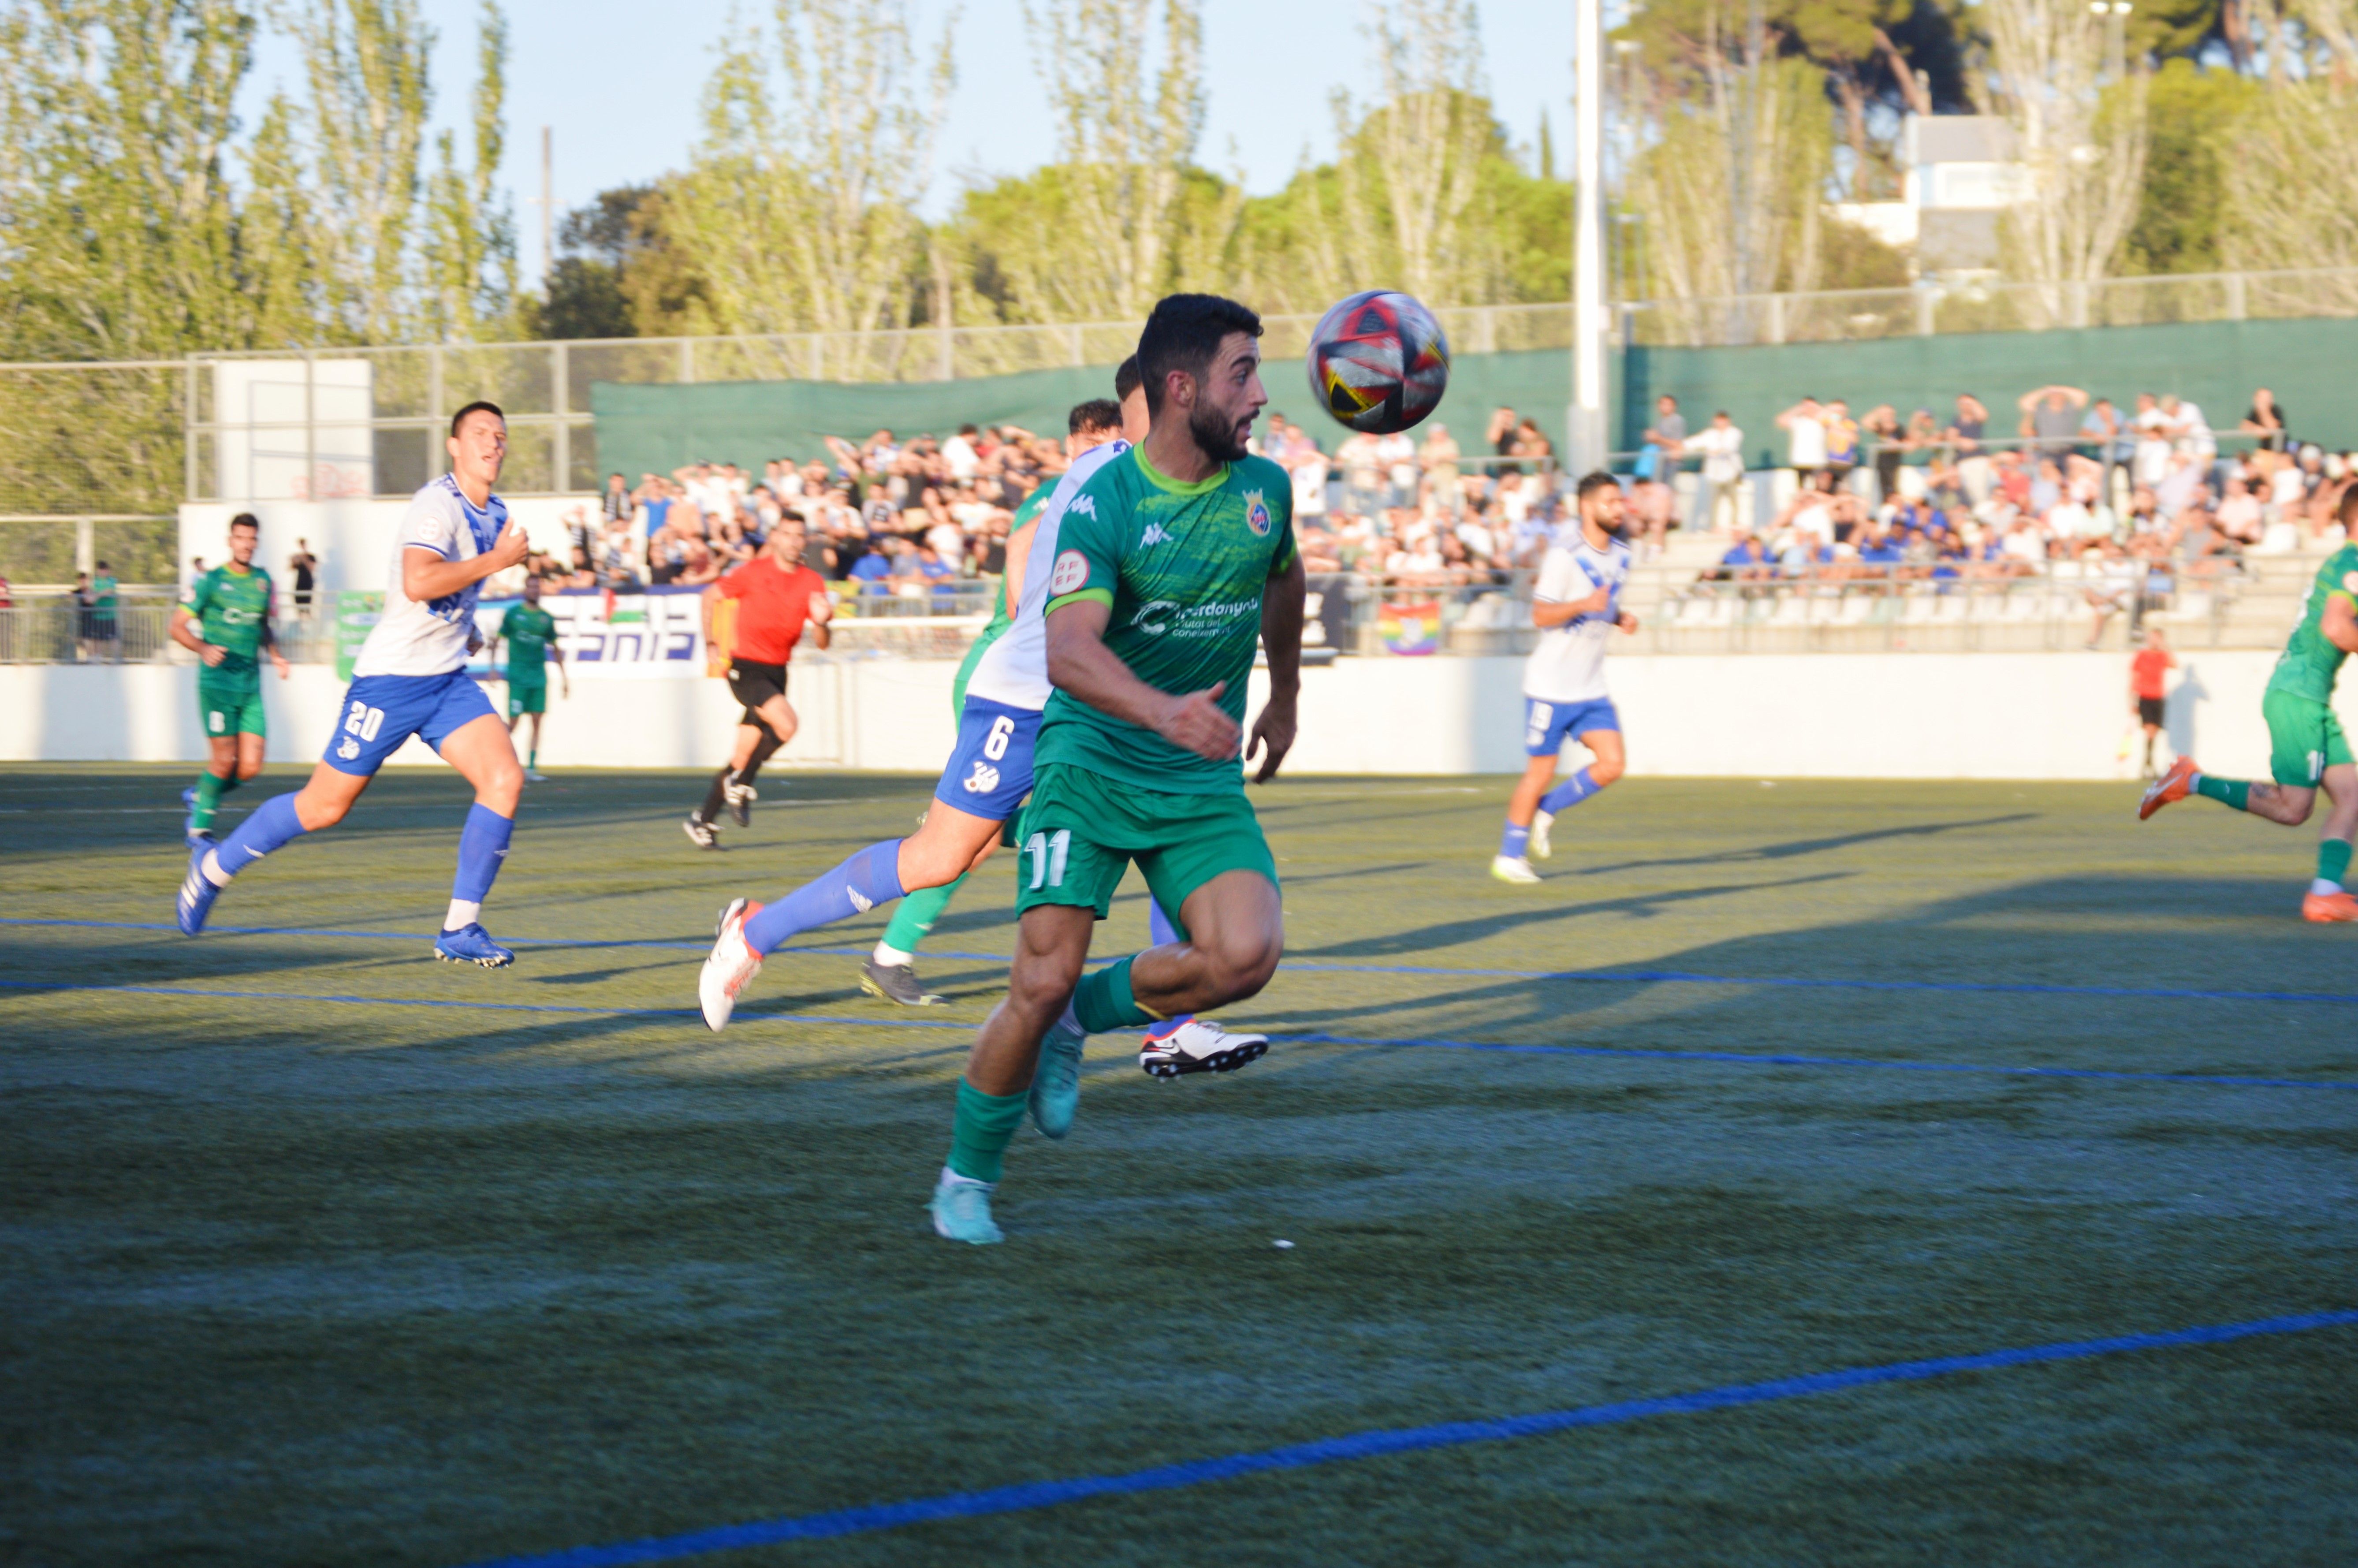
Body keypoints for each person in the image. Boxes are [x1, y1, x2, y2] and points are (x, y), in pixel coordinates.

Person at [724, 295, 1305, 1245]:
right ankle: (964, 1178)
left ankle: (1087, 1012)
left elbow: (1283, 576)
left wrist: (1282, 695)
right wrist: (1166, 710)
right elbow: (1068, 649)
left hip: (1193, 776)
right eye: (1243, 373)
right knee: (1031, 983)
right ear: (1180, 385)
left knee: (1245, 955)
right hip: (1087, 761)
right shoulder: (1102, 500)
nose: (1262, 394)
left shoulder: (1265, 490)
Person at [176, 402, 532, 965]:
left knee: (505, 777)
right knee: (323, 807)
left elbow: (448, 593)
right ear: (455, 446)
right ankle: (214, 866)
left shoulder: (496, 513)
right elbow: (418, 581)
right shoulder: (436, 503)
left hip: (444, 683)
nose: (494, 444)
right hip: (389, 683)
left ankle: (460, 927)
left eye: (501, 436)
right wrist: (495, 561)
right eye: (481, 434)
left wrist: (464, 631)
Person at [2141, 488, 2358, 921]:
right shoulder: (2352, 562)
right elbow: (2337, 627)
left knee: (2353, 795)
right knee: (2294, 808)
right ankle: (2190, 780)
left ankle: (2325, 892)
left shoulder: (2345, 562)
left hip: (2307, 696)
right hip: (2298, 697)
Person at [1493, 472, 1637, 884]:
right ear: (1587, 507)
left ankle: (1548, 807)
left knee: (1612, 764)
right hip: (1551, 688)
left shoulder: (1623, 554)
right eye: (1610, 501)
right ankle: (1509, 856)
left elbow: (1603, 607)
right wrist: (1583, 604)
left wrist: (1618, 616)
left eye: (1620, 501)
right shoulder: (1564, 555)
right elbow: (1541, 616)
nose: (1619, 508)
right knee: (1538, 771)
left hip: (1590, 686)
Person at [684, 514, 833, 847]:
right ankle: (741, 784)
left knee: (743, 754)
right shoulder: (753, 571)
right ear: (777, 537)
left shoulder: (812, 582)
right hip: (746, 668)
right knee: (788, 724)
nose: (794, 541)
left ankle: (703, 820)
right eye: (788, 534)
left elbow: (823, 642)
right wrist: (710, 640)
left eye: (800, 535)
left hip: (778, 671)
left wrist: (822, 622)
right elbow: (709, 596)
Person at [171, 514, 292, 842]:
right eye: (240, 537)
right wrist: (202, 647)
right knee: (224, 760)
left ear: (257, 542)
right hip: (217, 685)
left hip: (250, 686)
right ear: (230, 540)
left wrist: (276, 653)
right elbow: (177, 626)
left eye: (252, 539)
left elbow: (263, 624)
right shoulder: (209, 580)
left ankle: (201, 794)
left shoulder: (263, 581)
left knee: (251, 766)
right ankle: (199, 828)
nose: (246, 544)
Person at [493, 575, 568, 781]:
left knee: (537, 722)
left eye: (537, 587)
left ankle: (532, 768)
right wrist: (492, 667)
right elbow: (497, 639)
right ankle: (497, 761)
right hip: (518, 678)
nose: (534, 590)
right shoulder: (513, 614)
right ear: (526, 589)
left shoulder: (546, 618)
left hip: (538, 678)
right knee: (514, 723)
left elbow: (556, 648)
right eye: (531, 586)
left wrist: (564, 678)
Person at [2129, 628, 2175, 780]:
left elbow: (2175, 664)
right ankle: (2147, 765)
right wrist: (2132, 700)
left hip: (2158, 697)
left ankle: (2149, 764)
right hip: (2145, 696)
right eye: (2152, 638)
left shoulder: (2162, 656)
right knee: (2149, 730)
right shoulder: (2142, 655)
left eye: (2157, 638)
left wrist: (2165, 646)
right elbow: (2134, 678)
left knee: (2154, 731)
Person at [287, 539, 318, 619]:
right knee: (299, 604)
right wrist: (294, 561)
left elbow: (312, 568)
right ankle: (300, 623)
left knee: (308, 606)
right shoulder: (298, 557)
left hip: (308, 583)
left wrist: (305, 559)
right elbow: (290, 569)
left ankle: (310, 622)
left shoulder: (310, 557)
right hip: (299, 583)